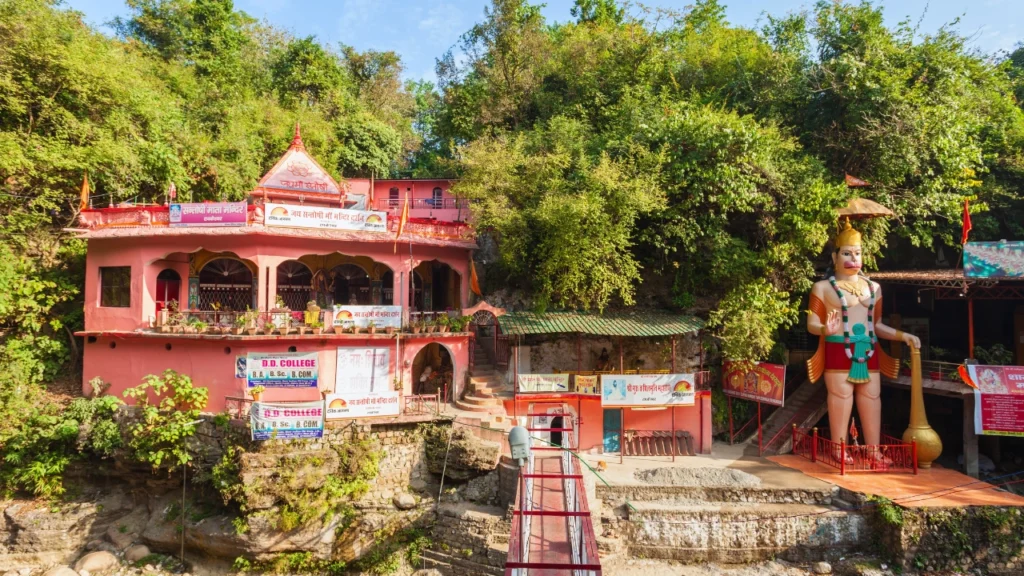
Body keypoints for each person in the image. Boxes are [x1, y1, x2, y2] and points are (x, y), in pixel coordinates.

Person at [806, 218, 921, 459]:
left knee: (871, 398)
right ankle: (839, 448)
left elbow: (877, 325)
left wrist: (903, 336)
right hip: (839, 349)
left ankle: (873, 450)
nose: (853, 259)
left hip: (869, 351)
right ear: (835, 258)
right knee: (841, 397)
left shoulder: (874, 287)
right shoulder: (823, 288)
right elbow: (812, 325)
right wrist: (826, 329)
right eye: (847, 253)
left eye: (858, 253)